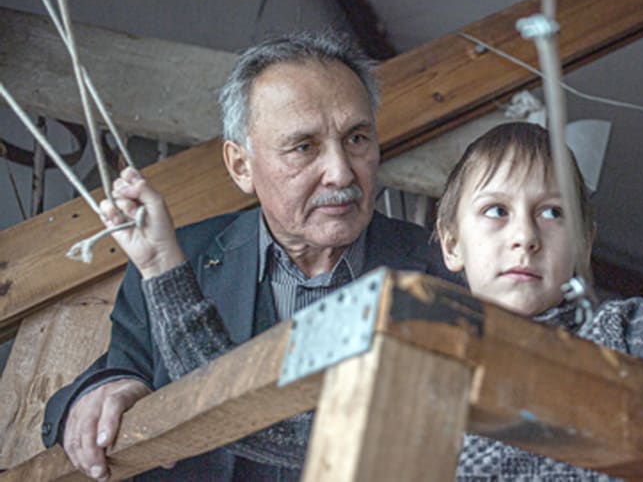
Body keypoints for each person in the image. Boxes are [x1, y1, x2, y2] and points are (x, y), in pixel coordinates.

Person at [84, 18, 643, 480]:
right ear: (448, 243)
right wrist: (162, 273)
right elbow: (248, 420)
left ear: (583, 242)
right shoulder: (409, 371)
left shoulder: (619, 342)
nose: (524, 234)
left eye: (552, 213)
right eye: (495, 212)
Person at [42, 30, 458, 481]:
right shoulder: (183, 258)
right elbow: (121, 367)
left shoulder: (445, 270)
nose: (340, 172)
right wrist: (106, 390)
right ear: (241, 166)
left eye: (356, 139)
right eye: (304, 147)